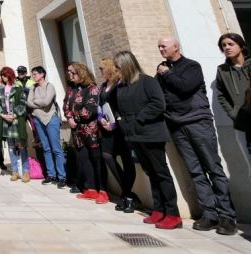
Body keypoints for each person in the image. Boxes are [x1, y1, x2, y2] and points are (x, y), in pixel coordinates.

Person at [156, 36, 236, 235]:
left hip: (198, 123)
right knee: (195, 171)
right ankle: (209, 214)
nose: (160, 49)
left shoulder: (191, 66)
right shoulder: (162, 70)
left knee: (212, 167)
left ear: (176, 47)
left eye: (163, 46)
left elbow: (185, 88)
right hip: (177, 126)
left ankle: (227, 216)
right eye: (159, 46)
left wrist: (166, 74)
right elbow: (161, 96)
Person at [112, 51, 182, 229]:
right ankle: (159, 210)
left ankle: (173, 213)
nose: (115, 71)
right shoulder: (121, 86)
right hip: (134, 135)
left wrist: (139, 119)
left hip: (151, 134)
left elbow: (158, 104)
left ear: (126, 66)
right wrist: (120, 118)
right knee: (150, 172)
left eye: (118, 67)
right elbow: (111, 101)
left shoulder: (147, 81)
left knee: (161, 173)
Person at [98, 58, 137, 212]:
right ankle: (127, 193)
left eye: (102, 68)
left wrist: (114, 123)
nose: (100, 71)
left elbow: (122, 104)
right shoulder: (103, 86)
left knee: (127, 161)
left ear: (109, 68)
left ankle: (126, 196)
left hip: (120, 128)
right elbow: (100, 105)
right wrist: (101, 119)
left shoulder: (119, 84)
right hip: (106, 129)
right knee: (107, 155)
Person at [65, 62, 105, 203]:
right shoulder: (71, 89)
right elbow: (66, 105)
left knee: (96, 161)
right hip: (77, 132)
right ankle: (92, 189)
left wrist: (74, 117)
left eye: (73, 72)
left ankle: (103, 191)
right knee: (84, 160)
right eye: (68, 72)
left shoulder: (92, 88)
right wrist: (69, 118)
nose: (70, 75)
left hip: (91, 131)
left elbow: (90, 110)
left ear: (81, 72)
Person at [27, 66, 66, 188]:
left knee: (56, 149)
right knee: (46, 148)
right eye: (32, 74)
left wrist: (36, 101)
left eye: (35, 74)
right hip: (38, 119)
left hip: (51, 119)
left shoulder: (50, 86)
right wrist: (39, 101)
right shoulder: (32, 88)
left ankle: (62, 177)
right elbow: (28, 102)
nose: (33, 76)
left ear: (42, 74)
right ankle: (51, 175)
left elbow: (47, 102)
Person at [215, 33, 250, 158]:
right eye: (223, 45)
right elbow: (221, 95)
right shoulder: (222, 70)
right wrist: (233, 113)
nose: (227, 48)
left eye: (231, 44)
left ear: (240, 46)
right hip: (244, 120)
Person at [0, 67, 29, 182]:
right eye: (2, 75)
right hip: (6, 122)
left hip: (17, 121)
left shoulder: (19, 88)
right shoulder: (0, 90)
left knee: (22, 146)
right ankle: (14, 171)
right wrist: (3, 116)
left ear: (10, 75)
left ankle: (26, 172)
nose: (3, 78)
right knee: (11, 147)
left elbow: (23, 104)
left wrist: (14, 115)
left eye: (5, 75)